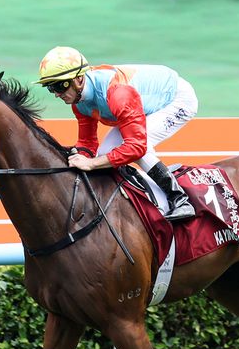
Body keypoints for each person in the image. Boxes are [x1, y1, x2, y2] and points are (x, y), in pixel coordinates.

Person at [35, 46, 197, 221]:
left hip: (176, 99)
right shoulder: (78, 102)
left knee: (139, 149)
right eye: (51, 88)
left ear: (79, 79)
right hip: (141, 102)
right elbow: (87, 143)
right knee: (106, 155)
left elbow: (136, 147)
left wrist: (92, 163)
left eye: (60, 86)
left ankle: (180, 200)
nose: (57, 94)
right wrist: (79, 159)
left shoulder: (118, 94)